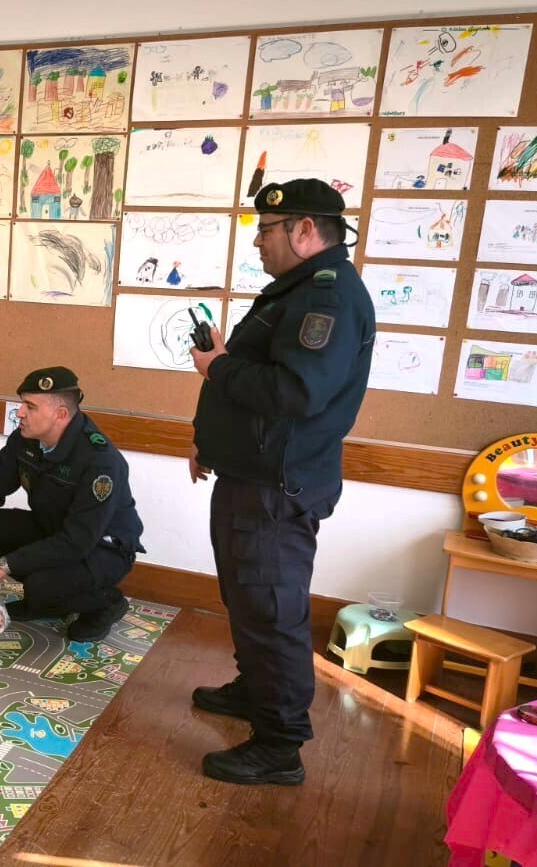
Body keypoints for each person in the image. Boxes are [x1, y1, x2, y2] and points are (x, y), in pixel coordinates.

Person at [187, 178, 375, 786]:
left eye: (266, 231)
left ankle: (279, 744)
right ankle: (256, 691)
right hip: (252, 475)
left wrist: (219, 368)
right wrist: (209, 438)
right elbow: (262, 381)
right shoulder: (294, 290)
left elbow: (295, 392)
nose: (258, 243)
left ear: (303, 230)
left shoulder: (329, 297)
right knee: (246, 597)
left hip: (276, 487)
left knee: (271, 610)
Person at [0, 367, 142, 642]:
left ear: (61, 415)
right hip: (55, 529)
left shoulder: (99, 460)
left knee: (41, 586)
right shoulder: (26, 439)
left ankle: (106, 603)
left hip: (103, 547)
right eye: (21, 404)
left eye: (30, 406)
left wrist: (3, 566)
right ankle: (49, 600)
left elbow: (77, 541)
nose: (19, 413)